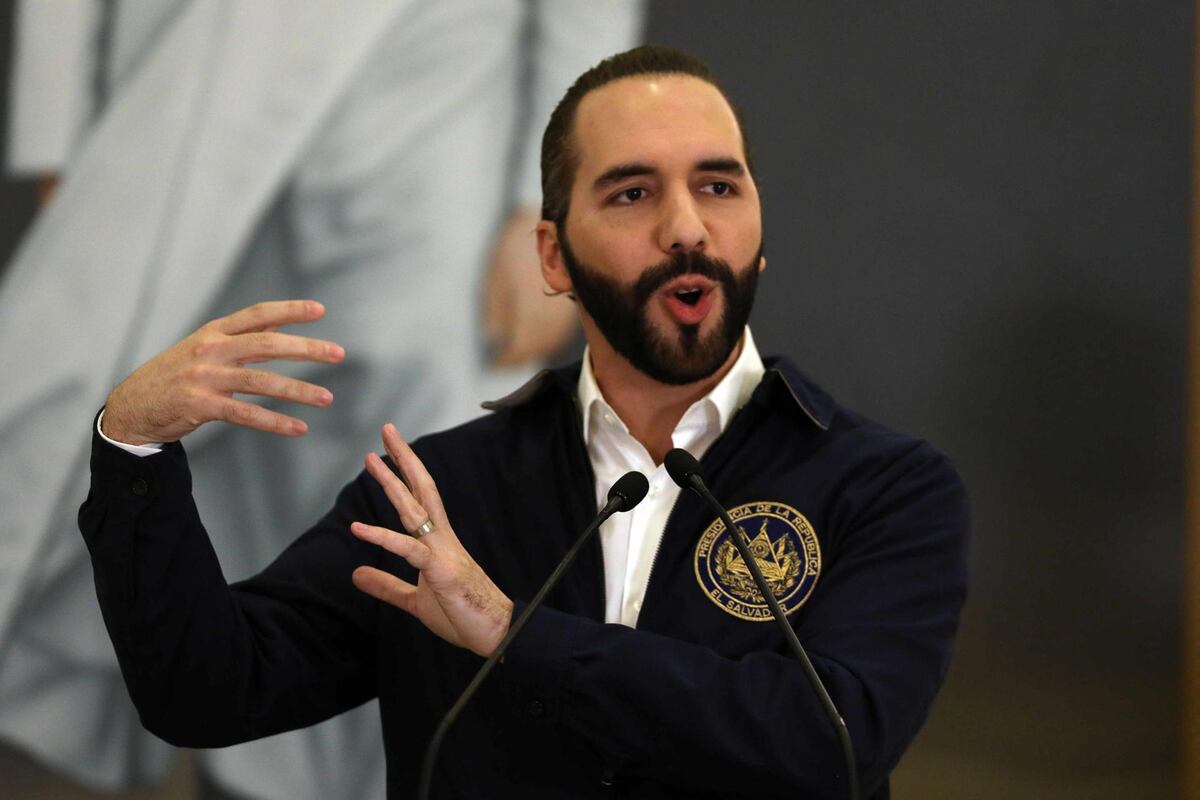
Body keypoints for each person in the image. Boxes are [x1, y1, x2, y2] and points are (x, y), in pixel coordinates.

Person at [80, 46, 969, 799]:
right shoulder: (440, 495)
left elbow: (836, 743)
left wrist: (511, 634)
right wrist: (133, 447)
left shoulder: (884, 485)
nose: (687, 228)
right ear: (553, 256)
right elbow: (209, 692)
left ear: (760, 233)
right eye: (632, 194)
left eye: (718, 186)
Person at [1, 3, 641, 798]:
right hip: (194, 69)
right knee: (241, 446)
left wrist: (548, 200)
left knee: (420, 479)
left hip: (431, 71)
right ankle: (253, 779)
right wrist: (56, 129)